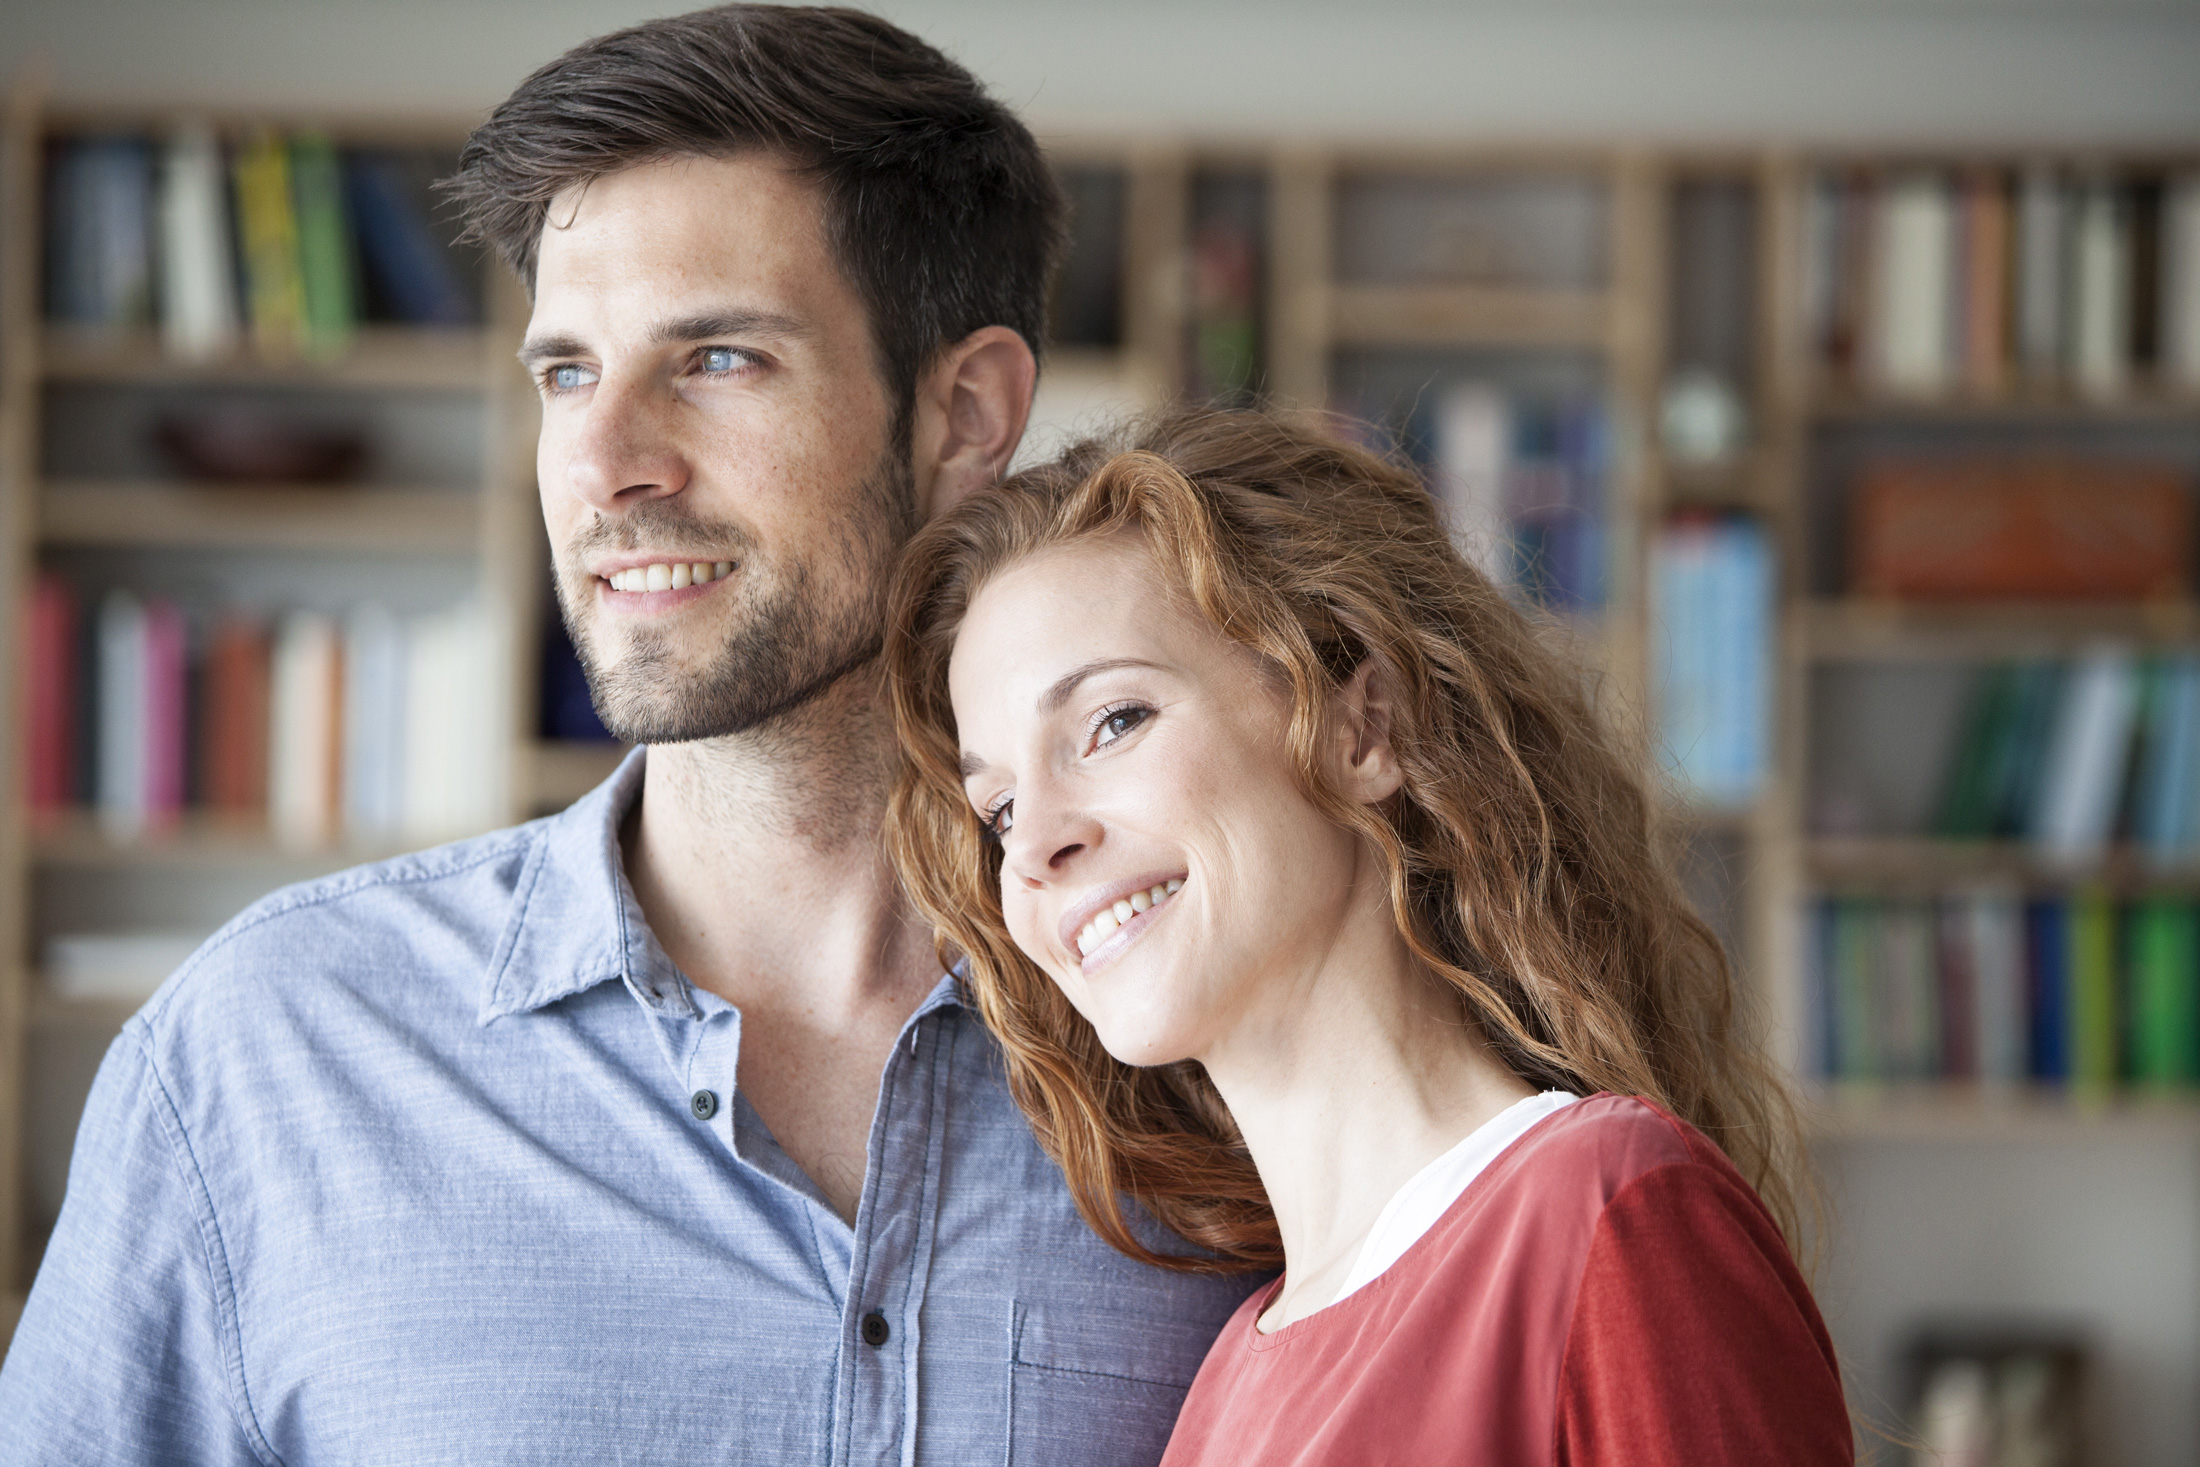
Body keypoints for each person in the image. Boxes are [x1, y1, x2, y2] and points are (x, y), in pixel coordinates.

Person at [0, 10, 1258, 1461]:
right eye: (566, 373)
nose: (605, 467)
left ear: (964, 409)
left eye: (716, 359)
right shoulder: (262, 1059)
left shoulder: (1233, 1049)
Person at [883, 408, 1856, 1466]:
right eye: (999, 811)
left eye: (1112, 723)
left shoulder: (1610, 1216)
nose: (1036, 847)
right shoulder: (1225, 1383)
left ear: (1363, 729)